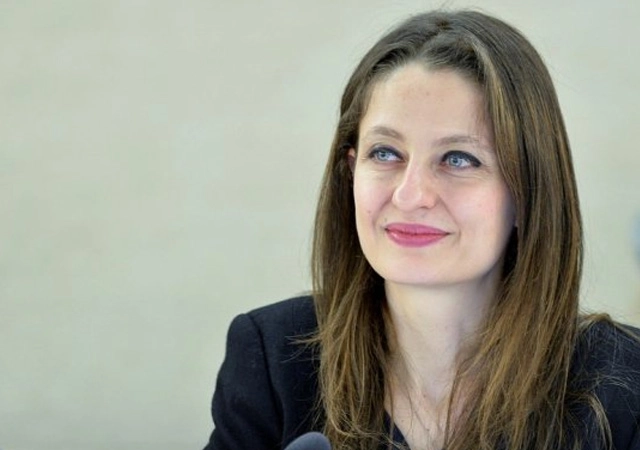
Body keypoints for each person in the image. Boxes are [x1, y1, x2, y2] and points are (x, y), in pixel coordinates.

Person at [202, 9, 640, 450]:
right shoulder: (273, 356)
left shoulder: (626, 383)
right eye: (385, 153)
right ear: (351, 171)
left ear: (527, 192)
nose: (410, 195)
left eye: (458, 159)